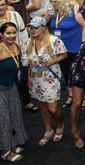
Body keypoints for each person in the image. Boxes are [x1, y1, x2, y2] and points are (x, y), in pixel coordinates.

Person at [24, 15, 68, 147]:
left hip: (51, 78)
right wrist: (29, 77)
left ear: (43, 28)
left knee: (53, 108)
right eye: (31, 28)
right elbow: (30, 62)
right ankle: (48, 130)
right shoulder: (28, 43)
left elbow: (64, 54)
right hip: (36, 79)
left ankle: (60, 124)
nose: (33, 30)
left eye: (36, 28)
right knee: (42, 106)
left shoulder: (54, 41)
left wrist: (52, 61)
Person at [0, 22, 26, 162]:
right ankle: (4, 150)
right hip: (0, 90)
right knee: (3, 121)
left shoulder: (16, 46)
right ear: (1, 35)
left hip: (12, 87)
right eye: (8, 33)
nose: (11, 36)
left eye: (13, 33)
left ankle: (11, 143)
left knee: (14, 116)